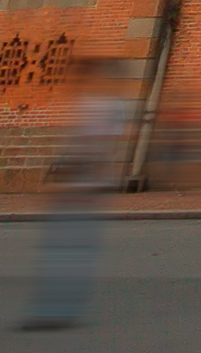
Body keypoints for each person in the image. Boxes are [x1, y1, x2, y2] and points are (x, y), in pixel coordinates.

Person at [22, 84, 130, 330]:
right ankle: (55, 306)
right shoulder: (103, 108)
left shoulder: (107, 109)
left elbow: (97, 144)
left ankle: (57, 308)